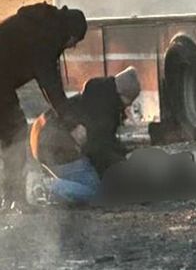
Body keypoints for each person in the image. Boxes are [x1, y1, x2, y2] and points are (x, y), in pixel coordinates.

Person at [0, 3, 87, 209]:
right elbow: (50, 84)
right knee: (15, 129)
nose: (71, 47)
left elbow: (49, 81)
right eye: (74, 42)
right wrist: (72, 123)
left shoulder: (43, 25)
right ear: (70, 33)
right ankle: (14, 197)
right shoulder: (46, 37)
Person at [29, 66, 141, 204]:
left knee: (84, 183)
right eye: (127, 102)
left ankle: (52, 186)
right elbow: (98, 147)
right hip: (57, 147)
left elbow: (101, 140)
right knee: (95, 192)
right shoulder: (104, 109)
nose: (125, 108)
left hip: (42, 138)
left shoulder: (98, 96)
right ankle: (46, 187)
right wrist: (122, 161)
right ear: (121, 95)